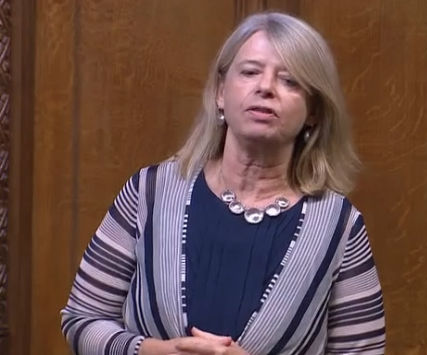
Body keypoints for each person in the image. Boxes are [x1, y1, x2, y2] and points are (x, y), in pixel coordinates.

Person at [61, 11, 385, 355]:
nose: (265, 87)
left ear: (314, 112)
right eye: (249, 72)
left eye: (290, 81)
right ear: (220, 92)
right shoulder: (149, 191)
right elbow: (82, 318)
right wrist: (154, 352)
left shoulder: (340, 226)